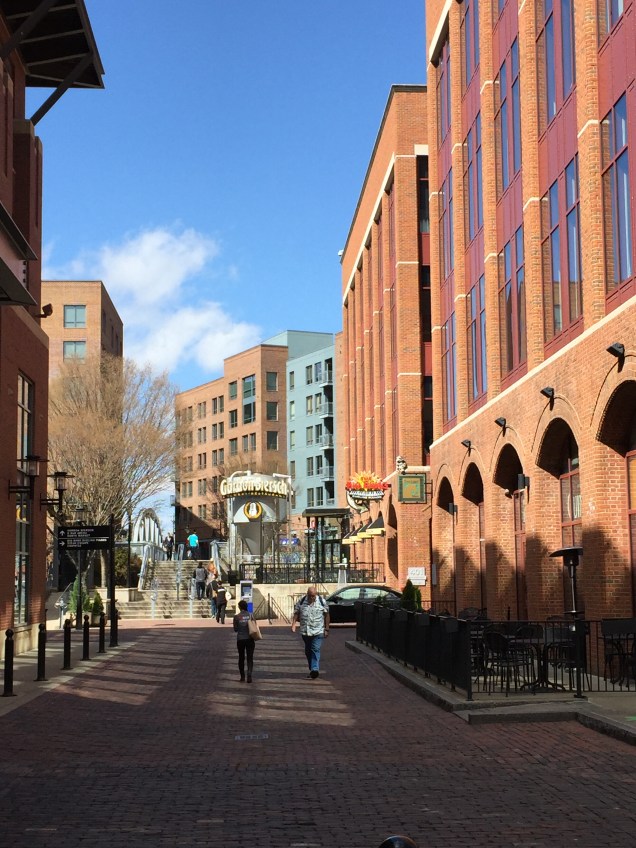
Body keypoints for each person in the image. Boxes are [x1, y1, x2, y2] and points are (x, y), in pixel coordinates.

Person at [291, 585, 330, 679]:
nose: (311, 598)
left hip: (318, 631)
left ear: (316, 595)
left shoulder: (322, 601)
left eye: (313, 596)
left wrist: (327, 629)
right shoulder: (301, 601)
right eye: (310, 595)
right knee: (308, 651)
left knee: (315, 649)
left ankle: (315, 669)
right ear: (307, 594)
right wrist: (293, 624)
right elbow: (296, 613)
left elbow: (327, 615)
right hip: (306, 631)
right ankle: (312, 668)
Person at [233, 599, 255, 682]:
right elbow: (254, 626)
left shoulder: (236, 617)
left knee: (241, 657)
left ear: (239, 607)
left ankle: (242, 676)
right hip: (249, 639)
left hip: (240, 639)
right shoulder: (251, 615)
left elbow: (235, 629)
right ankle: (249, 674)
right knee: (250, 657)